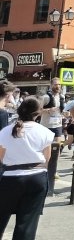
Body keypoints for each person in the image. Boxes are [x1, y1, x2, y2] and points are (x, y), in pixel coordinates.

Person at [0, 97, 55, 240]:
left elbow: (1, 157)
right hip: (36, 176)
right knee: (27, 223)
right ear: (38, 113)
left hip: (10, 177)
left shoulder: (5, 131)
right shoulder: (44, 132)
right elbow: (47, 158)